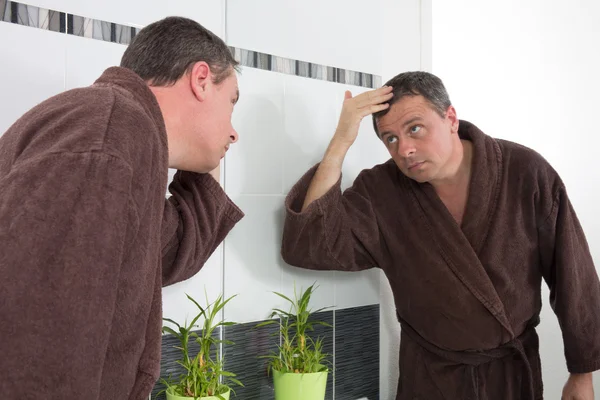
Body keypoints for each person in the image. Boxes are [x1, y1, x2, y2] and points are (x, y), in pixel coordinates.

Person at [280, 71, 600, 399]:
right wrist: (341, 141)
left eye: (414, 129)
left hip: (510, 380)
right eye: (390, 139)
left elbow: (573, 275)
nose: (404, 149)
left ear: (450, 117)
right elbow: (309, 244)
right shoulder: (381, 192)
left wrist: (582, 373)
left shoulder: (525, 172)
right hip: (431, 379)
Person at [0, 16, 243, 399]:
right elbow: (39, 340)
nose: (234, 131)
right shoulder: (108, 132)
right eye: (231, 103)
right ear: (200, 80)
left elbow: (165, 252)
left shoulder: (124, 135)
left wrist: (207, 154)